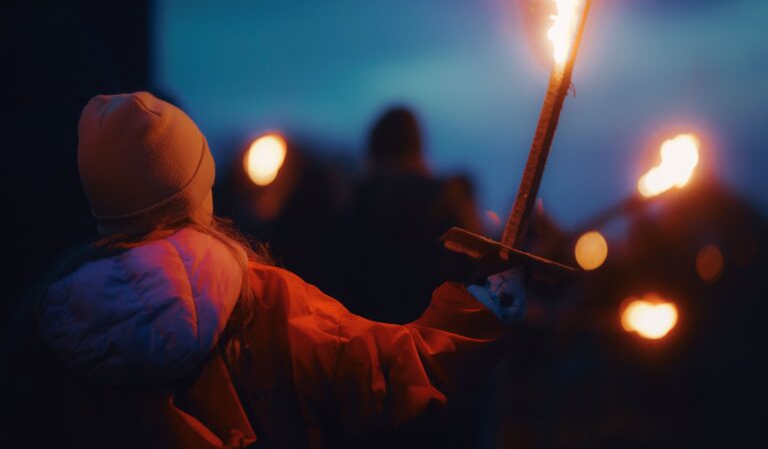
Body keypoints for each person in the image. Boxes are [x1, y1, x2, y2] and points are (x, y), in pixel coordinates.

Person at [3, 92, 526, 449]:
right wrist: (485, 307)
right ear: (198, 186)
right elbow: (392, 371)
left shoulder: (44, 330)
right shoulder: (264, 299)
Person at [342, 106, 483, 323]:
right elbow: (471, 279)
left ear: (373, 147)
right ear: (417, 145)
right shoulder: (447, 204)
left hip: (359, 332)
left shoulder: (352, 201)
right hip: (427, 334)